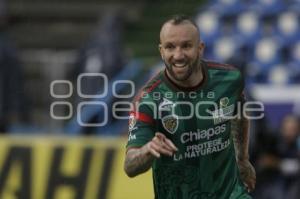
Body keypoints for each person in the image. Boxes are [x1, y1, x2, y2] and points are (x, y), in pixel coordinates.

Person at [124, 14, 256, 199]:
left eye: (186, 46)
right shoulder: (147, 101)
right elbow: (130, 166)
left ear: (200, 48)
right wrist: (147, 150)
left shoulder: (229, 79)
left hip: (230, 194)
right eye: (170, 47)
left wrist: (242, 159)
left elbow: (240, 113)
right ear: (161, 51)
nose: (178, 55)